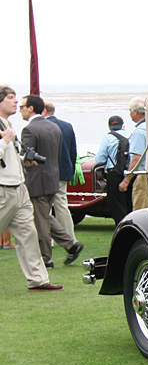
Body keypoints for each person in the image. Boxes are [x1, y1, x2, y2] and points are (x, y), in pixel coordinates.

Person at [0, 85, 61, 290]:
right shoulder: (4, 129)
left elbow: (9, 156)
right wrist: (4, 141)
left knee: (29, 234)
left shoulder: (7, 124)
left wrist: (24, 160)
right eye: (10, 98)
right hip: (3, 188)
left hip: (19, 186)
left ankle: (38, 279)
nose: (16, 102)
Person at [19, 94, 84, 267]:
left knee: (40, 220)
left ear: (31, 108)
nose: (20, 110)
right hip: (53, 177)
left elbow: (27, 157)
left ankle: (45, 258)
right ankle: (70, 244)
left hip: (37, 179)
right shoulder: (54, 127)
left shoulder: (29, 130)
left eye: (22, 107)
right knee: (45, 216)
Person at [43, 101, 78, 240]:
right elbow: (72, 151)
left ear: (44, 111)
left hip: (45, 171)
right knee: (62, 205)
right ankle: (70, 238)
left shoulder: (41, 126)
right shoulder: (67, 126)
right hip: (63, 170)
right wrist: (70, 169)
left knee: (44, 206)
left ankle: (47, 239)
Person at [94, 115, 133, 223]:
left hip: (114, 174)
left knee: (116, 205)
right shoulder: (132, 136)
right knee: (130, 203)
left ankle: (121, 227)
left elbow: (100, 159)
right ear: (123, 125)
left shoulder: (108, 137)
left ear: (110, 127)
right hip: (130, 173)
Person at [121, 97, 148, 210]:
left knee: (140, 209)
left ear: (135, 112)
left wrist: (126, 180)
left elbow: (137, 158)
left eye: (130, 111)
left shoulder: (139, 131)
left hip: (143, 176)